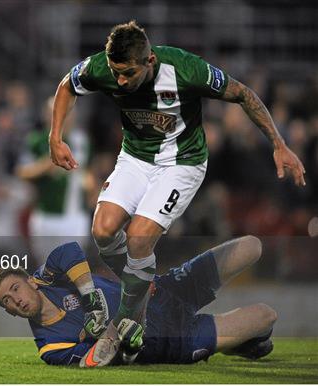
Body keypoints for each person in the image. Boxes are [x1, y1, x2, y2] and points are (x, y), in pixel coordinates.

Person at [48, 20, 304, 365]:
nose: (120, 81)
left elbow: (243, 93)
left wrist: (278, 143)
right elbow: (67, 85)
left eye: (127, 74)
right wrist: (55, 136)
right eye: (115, 73)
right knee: (103, 230)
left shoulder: (185, 69)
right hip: (136, 157)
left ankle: (127, 322)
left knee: (139, 238)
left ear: (149, 61)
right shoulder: (102, 67)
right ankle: (143, 288)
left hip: (182, 163)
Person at [0, 236, 277, 367]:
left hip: (164, 290)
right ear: (8, 312)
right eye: (6, 301)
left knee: (252, 245)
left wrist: (91, 301)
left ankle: (242, 342)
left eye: (14, 288)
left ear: (30, 281)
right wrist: (125, 341)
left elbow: (70, 250)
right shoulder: (50, 346)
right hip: (169, 340)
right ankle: (245, 343)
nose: (15, 300)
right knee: (265, 316)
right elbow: (96, 360)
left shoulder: (50, 277)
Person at [16, 96, 91, 260]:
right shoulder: (36, 141)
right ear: (47, 115)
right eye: (55, 113)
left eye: (67, 112)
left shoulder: (82, 141)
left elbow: (88, 173)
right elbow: (22, 172)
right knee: (46, 270)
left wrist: (90, 184)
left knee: (73, 270)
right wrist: (46, 165)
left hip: (75, 216)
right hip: (45, 215)